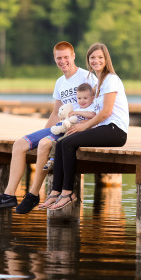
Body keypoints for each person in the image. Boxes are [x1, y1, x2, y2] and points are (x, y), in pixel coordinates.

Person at [0, 41, 97, 213]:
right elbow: (55, 112)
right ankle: (8, 196)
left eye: (66, 57)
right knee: (20, 144)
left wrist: (86, 125)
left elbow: (98, 106)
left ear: (73, 56)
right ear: (54, 58)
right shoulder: (60, 82)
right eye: (59, 58)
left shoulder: (87, 77)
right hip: (61, 125)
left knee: (45, 144)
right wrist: (44, 132)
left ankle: (33, 194)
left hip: (79, 128)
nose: (63, 61)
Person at [39, 42, 129, 210]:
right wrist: (79, 120)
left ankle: (68, 193)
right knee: (61, 143)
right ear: (88, 60)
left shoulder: (111, 79)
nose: (96, 61)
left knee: (68, 143)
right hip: (104, 128)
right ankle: (55, 191)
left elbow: (106, 113)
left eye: (100, 57)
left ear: (106, 59)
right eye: (92, 58)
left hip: (115, 130)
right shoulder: (98, 84)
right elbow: (94, 111)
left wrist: (83, 127)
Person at [42, 82, 96, 172]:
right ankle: (52, 159)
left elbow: (93, 115)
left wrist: (78, 113)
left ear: (92, 98)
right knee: (58, 141)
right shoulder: (78, 109)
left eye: (85, 98)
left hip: (86, 132)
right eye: (79, 98)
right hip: (74, 131)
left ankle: (54, 160)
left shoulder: (92, 107)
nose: (82, 101)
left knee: (62, 141)